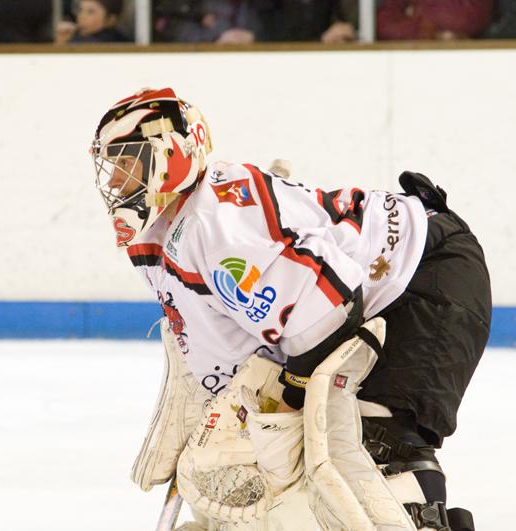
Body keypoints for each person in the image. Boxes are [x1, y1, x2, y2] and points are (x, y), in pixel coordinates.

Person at [90, 88, 490, 530]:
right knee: (273, 489)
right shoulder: (159, 235)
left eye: (127, 163)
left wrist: (283, 398)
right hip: (363, 296)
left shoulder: (217, 227)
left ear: (171, 155)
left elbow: (328, 317)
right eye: (110, 167)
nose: (114, 182)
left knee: (367, 445)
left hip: (419, 274)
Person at [55, 0, 129, 44]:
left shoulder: (114, 41)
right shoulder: (75, 37)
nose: (82, 16)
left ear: (111, 19)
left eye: (91, 12)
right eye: (80, 10)